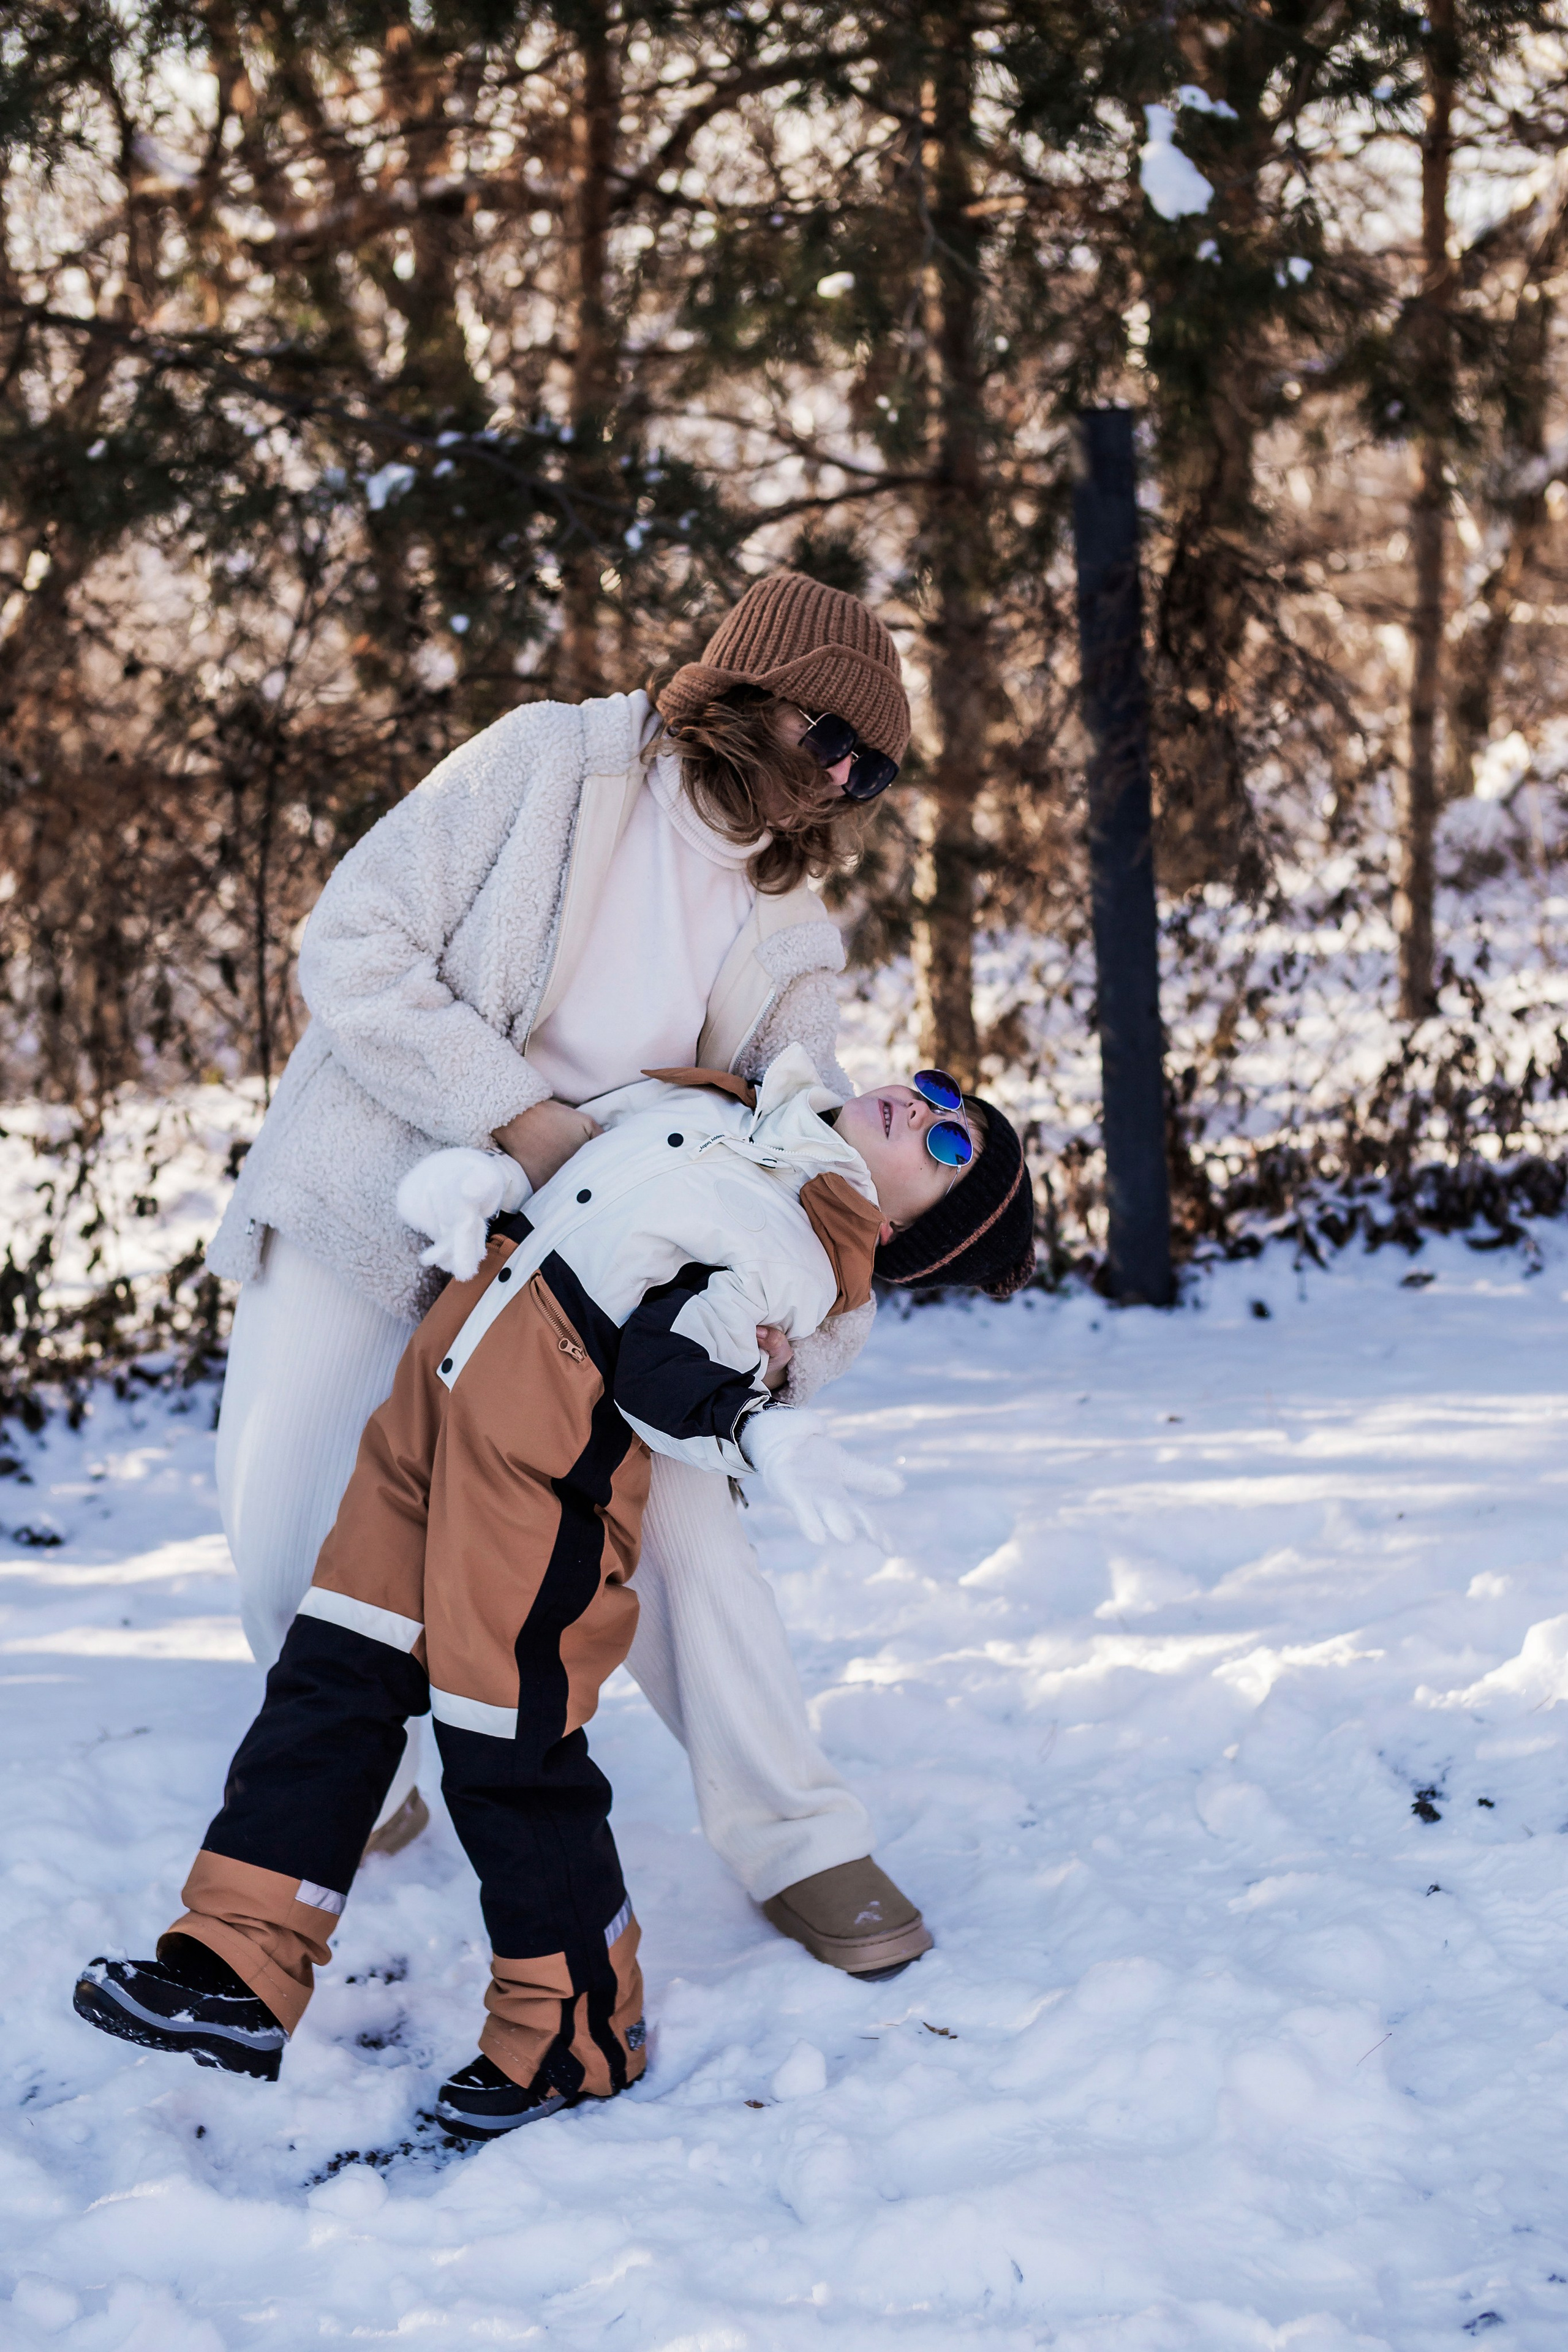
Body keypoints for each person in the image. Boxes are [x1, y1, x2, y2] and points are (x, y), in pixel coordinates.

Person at [75, 1054, 1036, 2138]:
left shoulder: (795, 1254)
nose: (928, 1113)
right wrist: (474, 1196)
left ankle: (577, 2036)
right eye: (944, 1091)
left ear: (910, 1230)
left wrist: (756, 1426)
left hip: (543, 1468)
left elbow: (661, 1373)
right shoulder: (719, 1103)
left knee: (507, 1744)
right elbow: (566, 1166)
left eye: (948, 1148)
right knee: (333, 1667)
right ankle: (236, 1968)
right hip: (438, 1395)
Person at [206, 570, 937, 1974]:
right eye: (826, 739)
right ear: (742, 689)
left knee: (686, 1540)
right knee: (284, 1534)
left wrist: (792, 1351)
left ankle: (799, 1839)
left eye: (869, 770)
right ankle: (366, 1783)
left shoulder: (788, 937)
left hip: (594, 1272)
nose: (837, 783)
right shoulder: (553, 762)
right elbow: (351, 947)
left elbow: (814, 1166)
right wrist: (519, 1121)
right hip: (382, 1188)